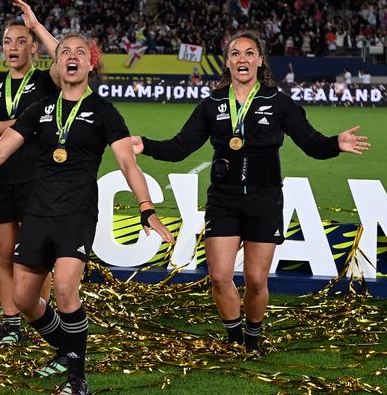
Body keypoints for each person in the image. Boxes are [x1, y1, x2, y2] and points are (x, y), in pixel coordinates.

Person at [0, 33, 173, 395]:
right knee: (25, 298)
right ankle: (66, 347)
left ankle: (77, 378)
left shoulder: (105, 111)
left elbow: (127, 163)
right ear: (57, 64)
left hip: (76, 211)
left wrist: (146, 206)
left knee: (63, 290)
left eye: (79, 53)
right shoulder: (40, 109)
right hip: (38, 209)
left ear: (90, 65)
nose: (71, 57)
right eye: (64, 53)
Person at [132, 31, 369, 353]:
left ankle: (254, 338)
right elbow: (180, 147)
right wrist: (145, 144)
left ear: (260, 60)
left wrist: (334, 144)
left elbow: (312, 144)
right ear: (227, 62)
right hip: (223, 199)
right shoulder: (212, 104)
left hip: (265, 198)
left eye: (249, 53)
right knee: (218, 276)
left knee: (256, 280)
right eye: (235, 54)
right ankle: (233, 337)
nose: (242, 59)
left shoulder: (280, 103)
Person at [0, 0, 59, 347]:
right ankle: (11, 321)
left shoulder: (46, 81)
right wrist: (27, 123)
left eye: (21, 41)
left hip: (37, 178)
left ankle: (41, 315)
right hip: (1, 178)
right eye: (8, 41)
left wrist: (36, 24)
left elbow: (66, 57)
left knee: (37, 254)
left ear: (33, 47)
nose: (12, 47)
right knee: (5, 254)